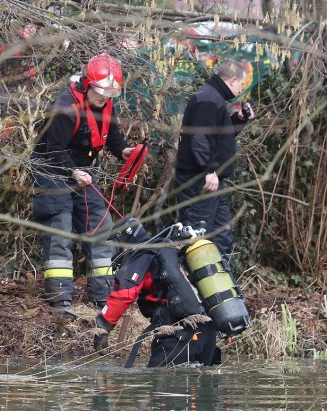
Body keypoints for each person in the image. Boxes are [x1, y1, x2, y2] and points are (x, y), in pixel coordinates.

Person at [30, 53, 135, 318]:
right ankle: (60, 302)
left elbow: (112, 136)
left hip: (83, 173)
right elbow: (53, 149)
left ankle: (102, 299)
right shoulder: (65, 108)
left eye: (110, 93)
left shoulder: (106, 105)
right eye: (100, 92)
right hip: (53, 172)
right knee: (60, 230)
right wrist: (73, 171)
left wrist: (123, 151)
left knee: (100, 228)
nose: (104, 98)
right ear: (87, 85)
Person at [92, 219, 221, 368]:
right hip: (208, 330)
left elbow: (124, 294)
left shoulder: (141, 256)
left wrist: (102, 327)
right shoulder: (170, 251)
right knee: (200, 384)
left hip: (179, 329)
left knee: (162, 381)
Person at [173, 59, 253, 261]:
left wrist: (239, 120)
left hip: (212, 181)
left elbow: (218, 137)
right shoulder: (208, 99)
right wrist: (208, 170)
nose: (241, 89)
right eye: (241, 84)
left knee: (221, 236)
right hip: (199, 180)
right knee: (196, 237)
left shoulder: (214, 98)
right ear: (233, 80)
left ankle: (221, 285)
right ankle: (189, 287)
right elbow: (200, 140)